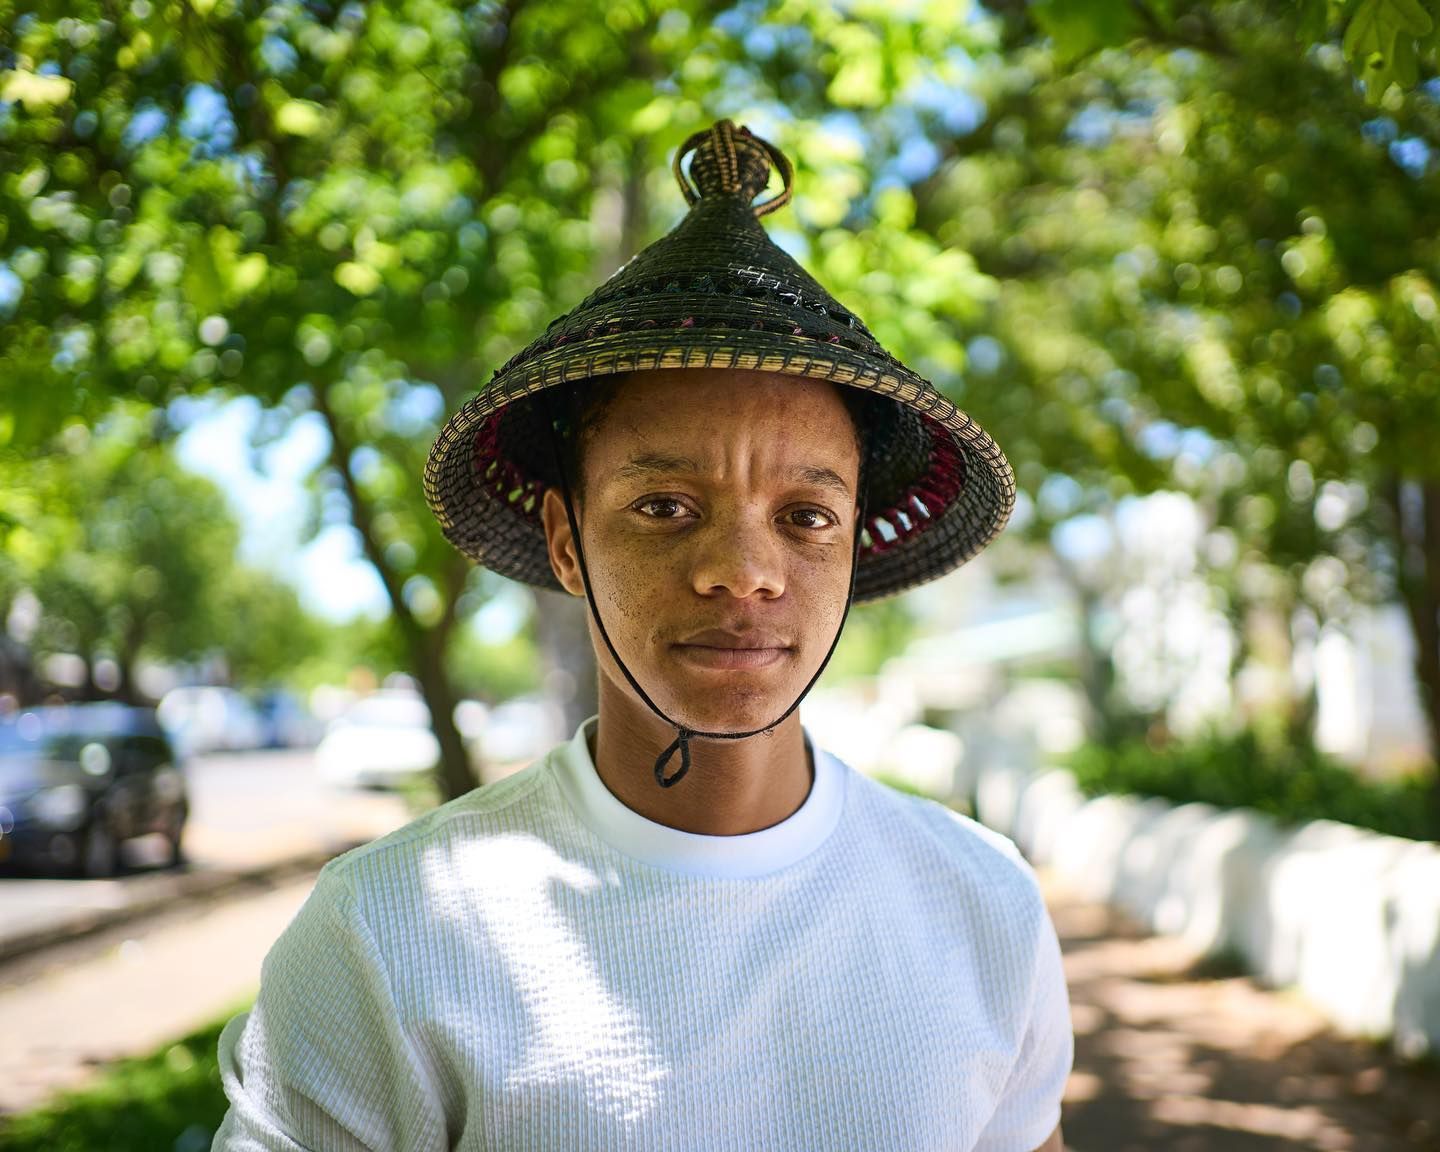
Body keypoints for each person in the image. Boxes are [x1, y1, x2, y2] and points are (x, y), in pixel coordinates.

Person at [213, 119, 1073, 1151]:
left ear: (852, 552)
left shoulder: (984, 902)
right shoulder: (386, 934)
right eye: (664, 506)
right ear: (567, 542)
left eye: (807, 517)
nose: (744, 571)